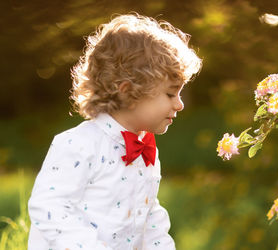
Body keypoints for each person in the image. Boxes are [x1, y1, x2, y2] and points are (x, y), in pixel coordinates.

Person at [27, 13, 202, 250]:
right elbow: (50, 207)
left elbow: (148, 216)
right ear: (127, 91)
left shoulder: (144, 151)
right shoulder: (78, 144)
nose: (179, 104)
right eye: (170, 94)